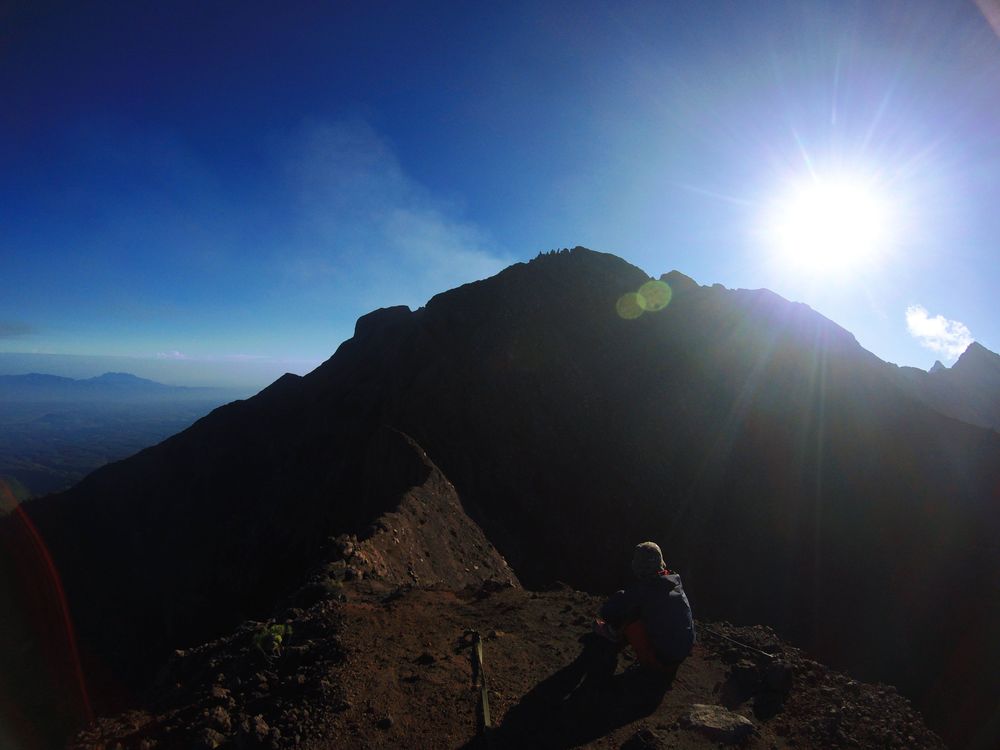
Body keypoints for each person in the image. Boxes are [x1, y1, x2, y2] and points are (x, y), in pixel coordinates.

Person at [593, 541, 695, 676]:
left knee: (632, 616)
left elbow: (607, 612)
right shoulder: (673, 582)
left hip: (661, 663)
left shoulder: (644, 592)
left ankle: (613, 635)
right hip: (679, 655)